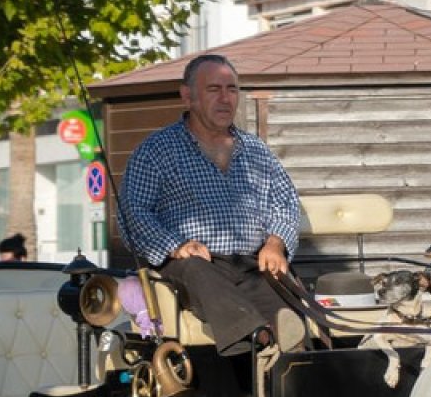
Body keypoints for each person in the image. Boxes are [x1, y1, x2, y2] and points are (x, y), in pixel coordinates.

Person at [118, 53, 305, 354]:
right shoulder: (156, 150)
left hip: (251, 262)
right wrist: (175, 245)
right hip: (192, 265)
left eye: (232, 89)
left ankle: (293, 353)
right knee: (195, 269)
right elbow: (133, 215)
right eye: (213, 89)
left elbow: (285, 203)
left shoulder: (257, 151)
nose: (225, 98)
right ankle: (257, 336)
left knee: (292, 318)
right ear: (187, 97)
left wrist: (274, 243)